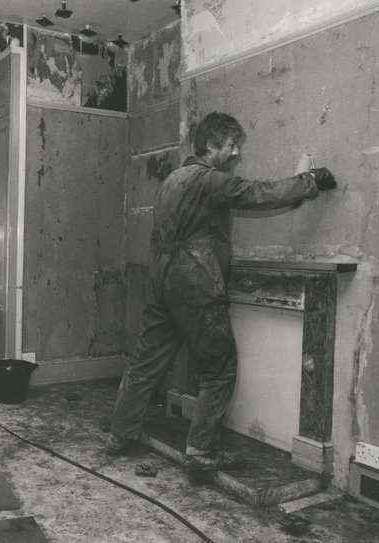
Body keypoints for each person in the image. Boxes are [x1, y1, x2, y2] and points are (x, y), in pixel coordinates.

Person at [105, 112, 337, 470]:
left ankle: (119, 434)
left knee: (145, 363)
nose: (236, 153)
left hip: (162, 283)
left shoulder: (172, 180)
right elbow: (259, 193)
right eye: (232, 145)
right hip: (195, 283)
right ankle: (201, 451)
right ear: (211, 145)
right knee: (219, 368)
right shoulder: (209, 180)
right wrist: (309, 181)